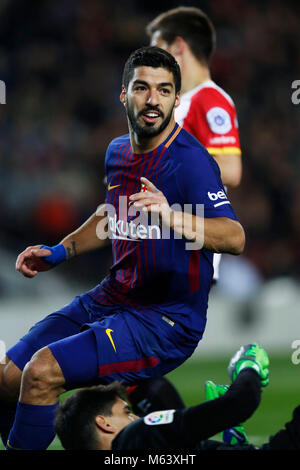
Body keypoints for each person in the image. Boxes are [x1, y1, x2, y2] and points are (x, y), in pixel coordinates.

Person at [1, 46, 245, 451]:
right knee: (10, 376)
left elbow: (234, 236)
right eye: (143, 88)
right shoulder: (118, 152)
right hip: (113, 297)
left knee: (41, 372)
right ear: (124, 94)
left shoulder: (190, 162)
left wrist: (172, 216)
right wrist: (60, 252)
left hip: (164, 320)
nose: (153, 100)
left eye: (165, 91)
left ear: (176, 99)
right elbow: (110, 216)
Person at [54, 343, 300, 451]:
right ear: (104, 423)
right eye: (126, 412)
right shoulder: (134, 439)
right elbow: (240, 402)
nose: (137, 416)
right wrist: (249, 366)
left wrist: (232, 439)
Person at [146, 6, 242, 281]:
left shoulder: (211, 101)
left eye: (157, 48)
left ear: (178, 46)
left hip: (188, 254)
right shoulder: (181, 103)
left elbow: (231, 170)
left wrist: (156, 170)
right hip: (165, 247)